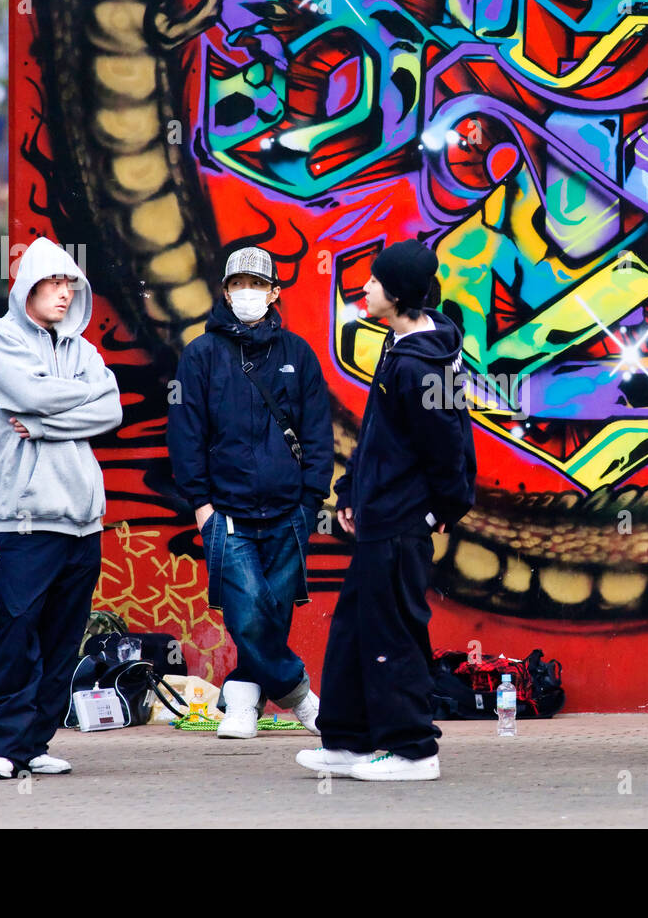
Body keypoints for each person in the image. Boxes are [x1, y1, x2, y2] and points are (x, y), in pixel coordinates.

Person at [296, 239, 476, 782]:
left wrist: (443, 508)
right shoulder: (400, 349)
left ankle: (412, 750)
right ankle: (349, 740)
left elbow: (449, 447)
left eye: (374, 282)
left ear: (396, 295)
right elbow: (380, 436)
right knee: (355, 627)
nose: (365, 289)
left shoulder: (420, 366)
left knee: (392, 633)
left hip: (403, 522)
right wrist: (351, 491)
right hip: (380, 515)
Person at [166, 245, 332, 737]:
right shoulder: (200, 356)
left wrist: (310, 501)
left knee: (270, 616)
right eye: (238, 284)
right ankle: (301, 696)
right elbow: (185, 436)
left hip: (289, 513)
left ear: (274, 292)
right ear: (224, 290)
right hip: (227, 515)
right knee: (248, 611)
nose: (247, 294)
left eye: (257, 285)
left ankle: (241, 701)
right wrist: (201, 505)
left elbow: (319, 433)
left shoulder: (298, 354)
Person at [0, 237, 122, 779]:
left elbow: (111, 408)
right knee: (18, 634)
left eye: (70, 285)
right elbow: (25, 392)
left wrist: (40, 424)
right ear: (29, 285)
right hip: (23, 517)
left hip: (83, 519)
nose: (65, 294)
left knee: (62, 640)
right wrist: (61, 400)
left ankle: (32, 744)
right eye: (55, 283)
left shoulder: (83, 348)